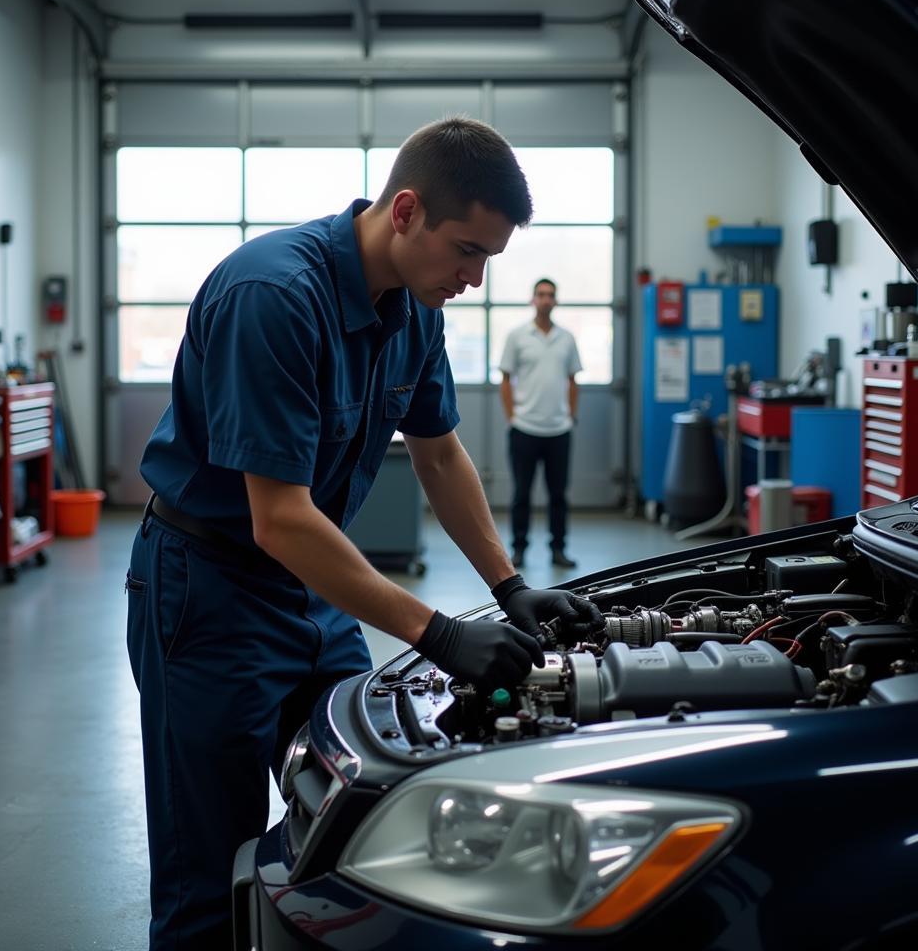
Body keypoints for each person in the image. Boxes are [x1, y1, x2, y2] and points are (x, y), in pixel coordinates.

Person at [125, 117, 600, 951]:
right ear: (406, 210)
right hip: (209, 594)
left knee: (363, 817)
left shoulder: (416, 308)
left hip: (314, 589)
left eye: (489, 259)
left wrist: (508, 586)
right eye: (466, 252)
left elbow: (440, 453)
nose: (475, 279)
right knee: (210, 870)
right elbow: (278, 518)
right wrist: (438, 633)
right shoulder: (273, 296)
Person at [499, 277, 584, 569]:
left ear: (556, 301)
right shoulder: (518, 336)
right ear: (533, 299)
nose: (545, 299)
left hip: (559, 430)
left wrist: (571, 416)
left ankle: (558, 549)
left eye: (550, 295)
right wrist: (512, 416)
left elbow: (573, 380)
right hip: (524, 429)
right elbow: (506, 380)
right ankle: (519, 549)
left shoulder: (567, 339)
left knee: (558, 495)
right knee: (521, 493)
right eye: (540, 294)